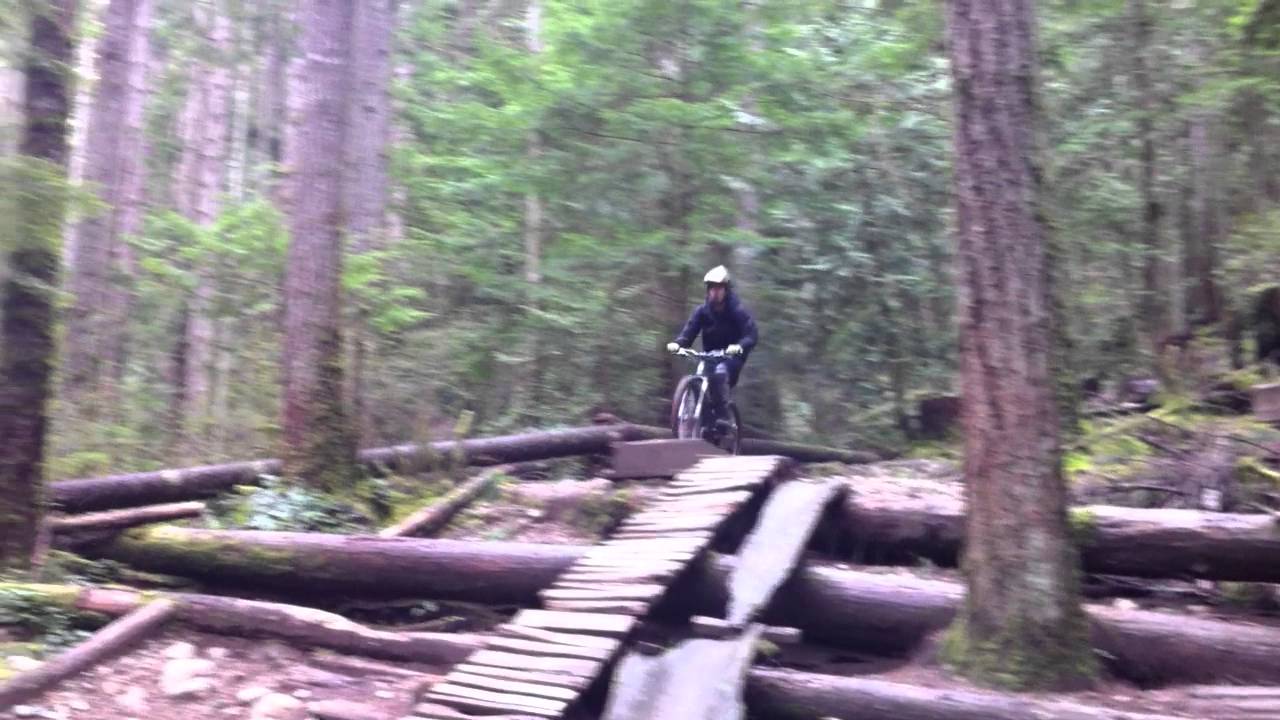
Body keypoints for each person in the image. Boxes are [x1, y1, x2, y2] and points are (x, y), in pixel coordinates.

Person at [666, 265, 759, 431]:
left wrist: (738, 347)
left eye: (719, 288)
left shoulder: (737, 310)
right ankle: (703, 423)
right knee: (699, 375)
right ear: (708, 290)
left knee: (720, 371)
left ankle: (723, 417)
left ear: (726, 290)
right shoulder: (701, 311)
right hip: (709, 355)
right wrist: (678, 344)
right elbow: (689, 333)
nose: (715, 292)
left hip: (732, 358)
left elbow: (751, 335)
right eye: (712, 288)